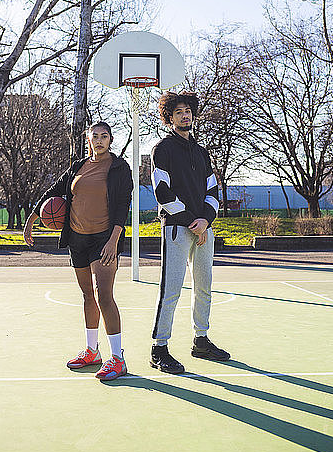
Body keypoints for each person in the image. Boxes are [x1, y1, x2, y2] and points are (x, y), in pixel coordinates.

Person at [23, 121, 133, 381]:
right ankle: (92, 351)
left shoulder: (119, 168)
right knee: (87, 296)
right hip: (78, 238)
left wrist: (114, 240)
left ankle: (118, 357)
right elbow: (53, 192)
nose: (99, 140)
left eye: (104, 136)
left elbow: (122, 205)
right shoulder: (78, 167)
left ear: (110, 139)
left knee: (103, 294)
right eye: (94, 136)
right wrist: (31, 219)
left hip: (104, 238)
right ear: (88, 139)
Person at [150, 91, 230, 374]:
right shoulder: (163, 150)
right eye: (179, 111)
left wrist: (205, 221)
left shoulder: (201, 152)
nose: (185, 115)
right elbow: (162, 192)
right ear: (169, 117)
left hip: (203, 229)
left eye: (188, 111)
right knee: (171, 290)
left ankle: (201, 340)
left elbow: (212, 191)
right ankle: (159, 348)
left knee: (204, 286)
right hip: (176, 228)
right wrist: (190, 221)